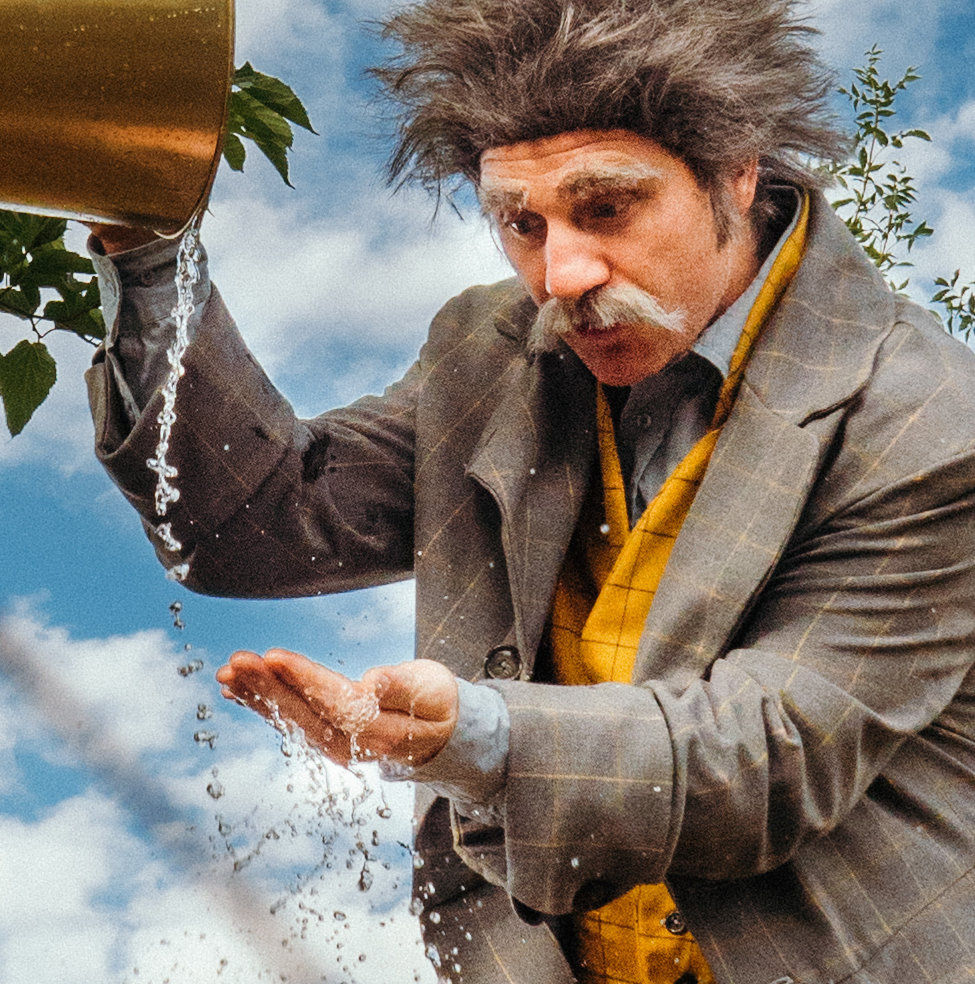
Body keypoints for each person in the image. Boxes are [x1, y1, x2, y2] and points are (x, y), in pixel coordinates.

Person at [86, 0, 975, 982]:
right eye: (521, 222)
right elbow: (250, 527)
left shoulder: (928, 419)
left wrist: (475, 736)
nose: (562, 274)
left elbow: (766, 762)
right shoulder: (491, 349)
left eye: (608, 207)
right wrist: (143, 235)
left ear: (736, 172)